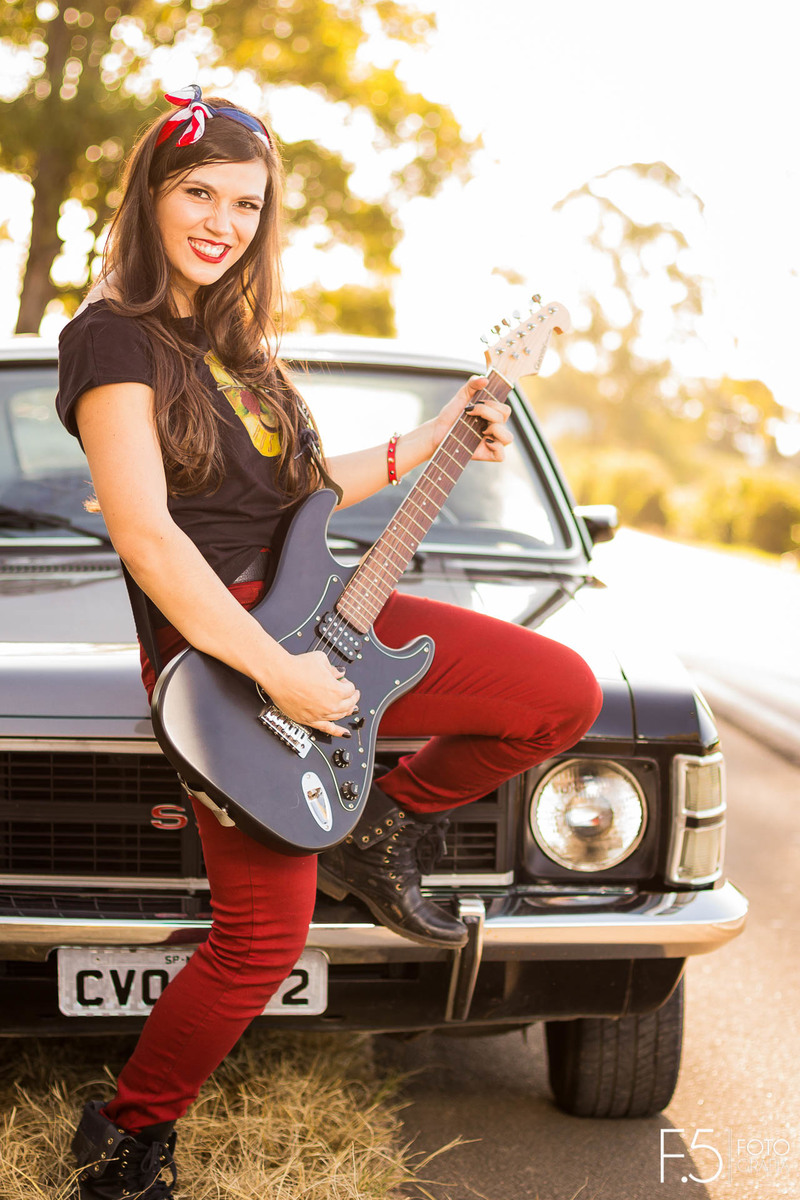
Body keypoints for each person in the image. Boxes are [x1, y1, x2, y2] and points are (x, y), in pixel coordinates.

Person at [55, 85, 603, 1200]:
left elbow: (300, 495)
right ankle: (124, 1142)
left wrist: (439, 435)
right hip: (224, 664)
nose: (222, 222)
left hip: (331, 616)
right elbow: (150, 540)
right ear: (149, 197)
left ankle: (381, 826)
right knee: (262, 940)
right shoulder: (109, 338)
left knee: (558, 693)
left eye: (246, 204)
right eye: (198, 194)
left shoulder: (235, 343)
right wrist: (279, 675)